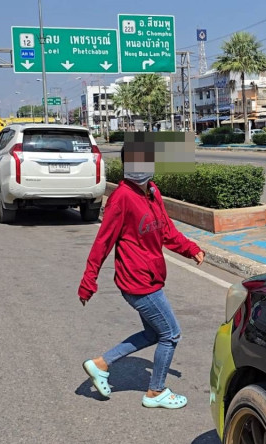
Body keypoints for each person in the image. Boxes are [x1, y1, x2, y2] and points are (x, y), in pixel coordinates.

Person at [78, 143, 205, 409]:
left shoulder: (152, 192)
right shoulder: (121, 198)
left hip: (151, 275)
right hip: (137, 281)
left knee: (152, 334)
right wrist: (89, 281)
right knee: (171, 334)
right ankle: (155, 391)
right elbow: (103, 242)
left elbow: (166, 230)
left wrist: (190, 248)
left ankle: (100, 364)